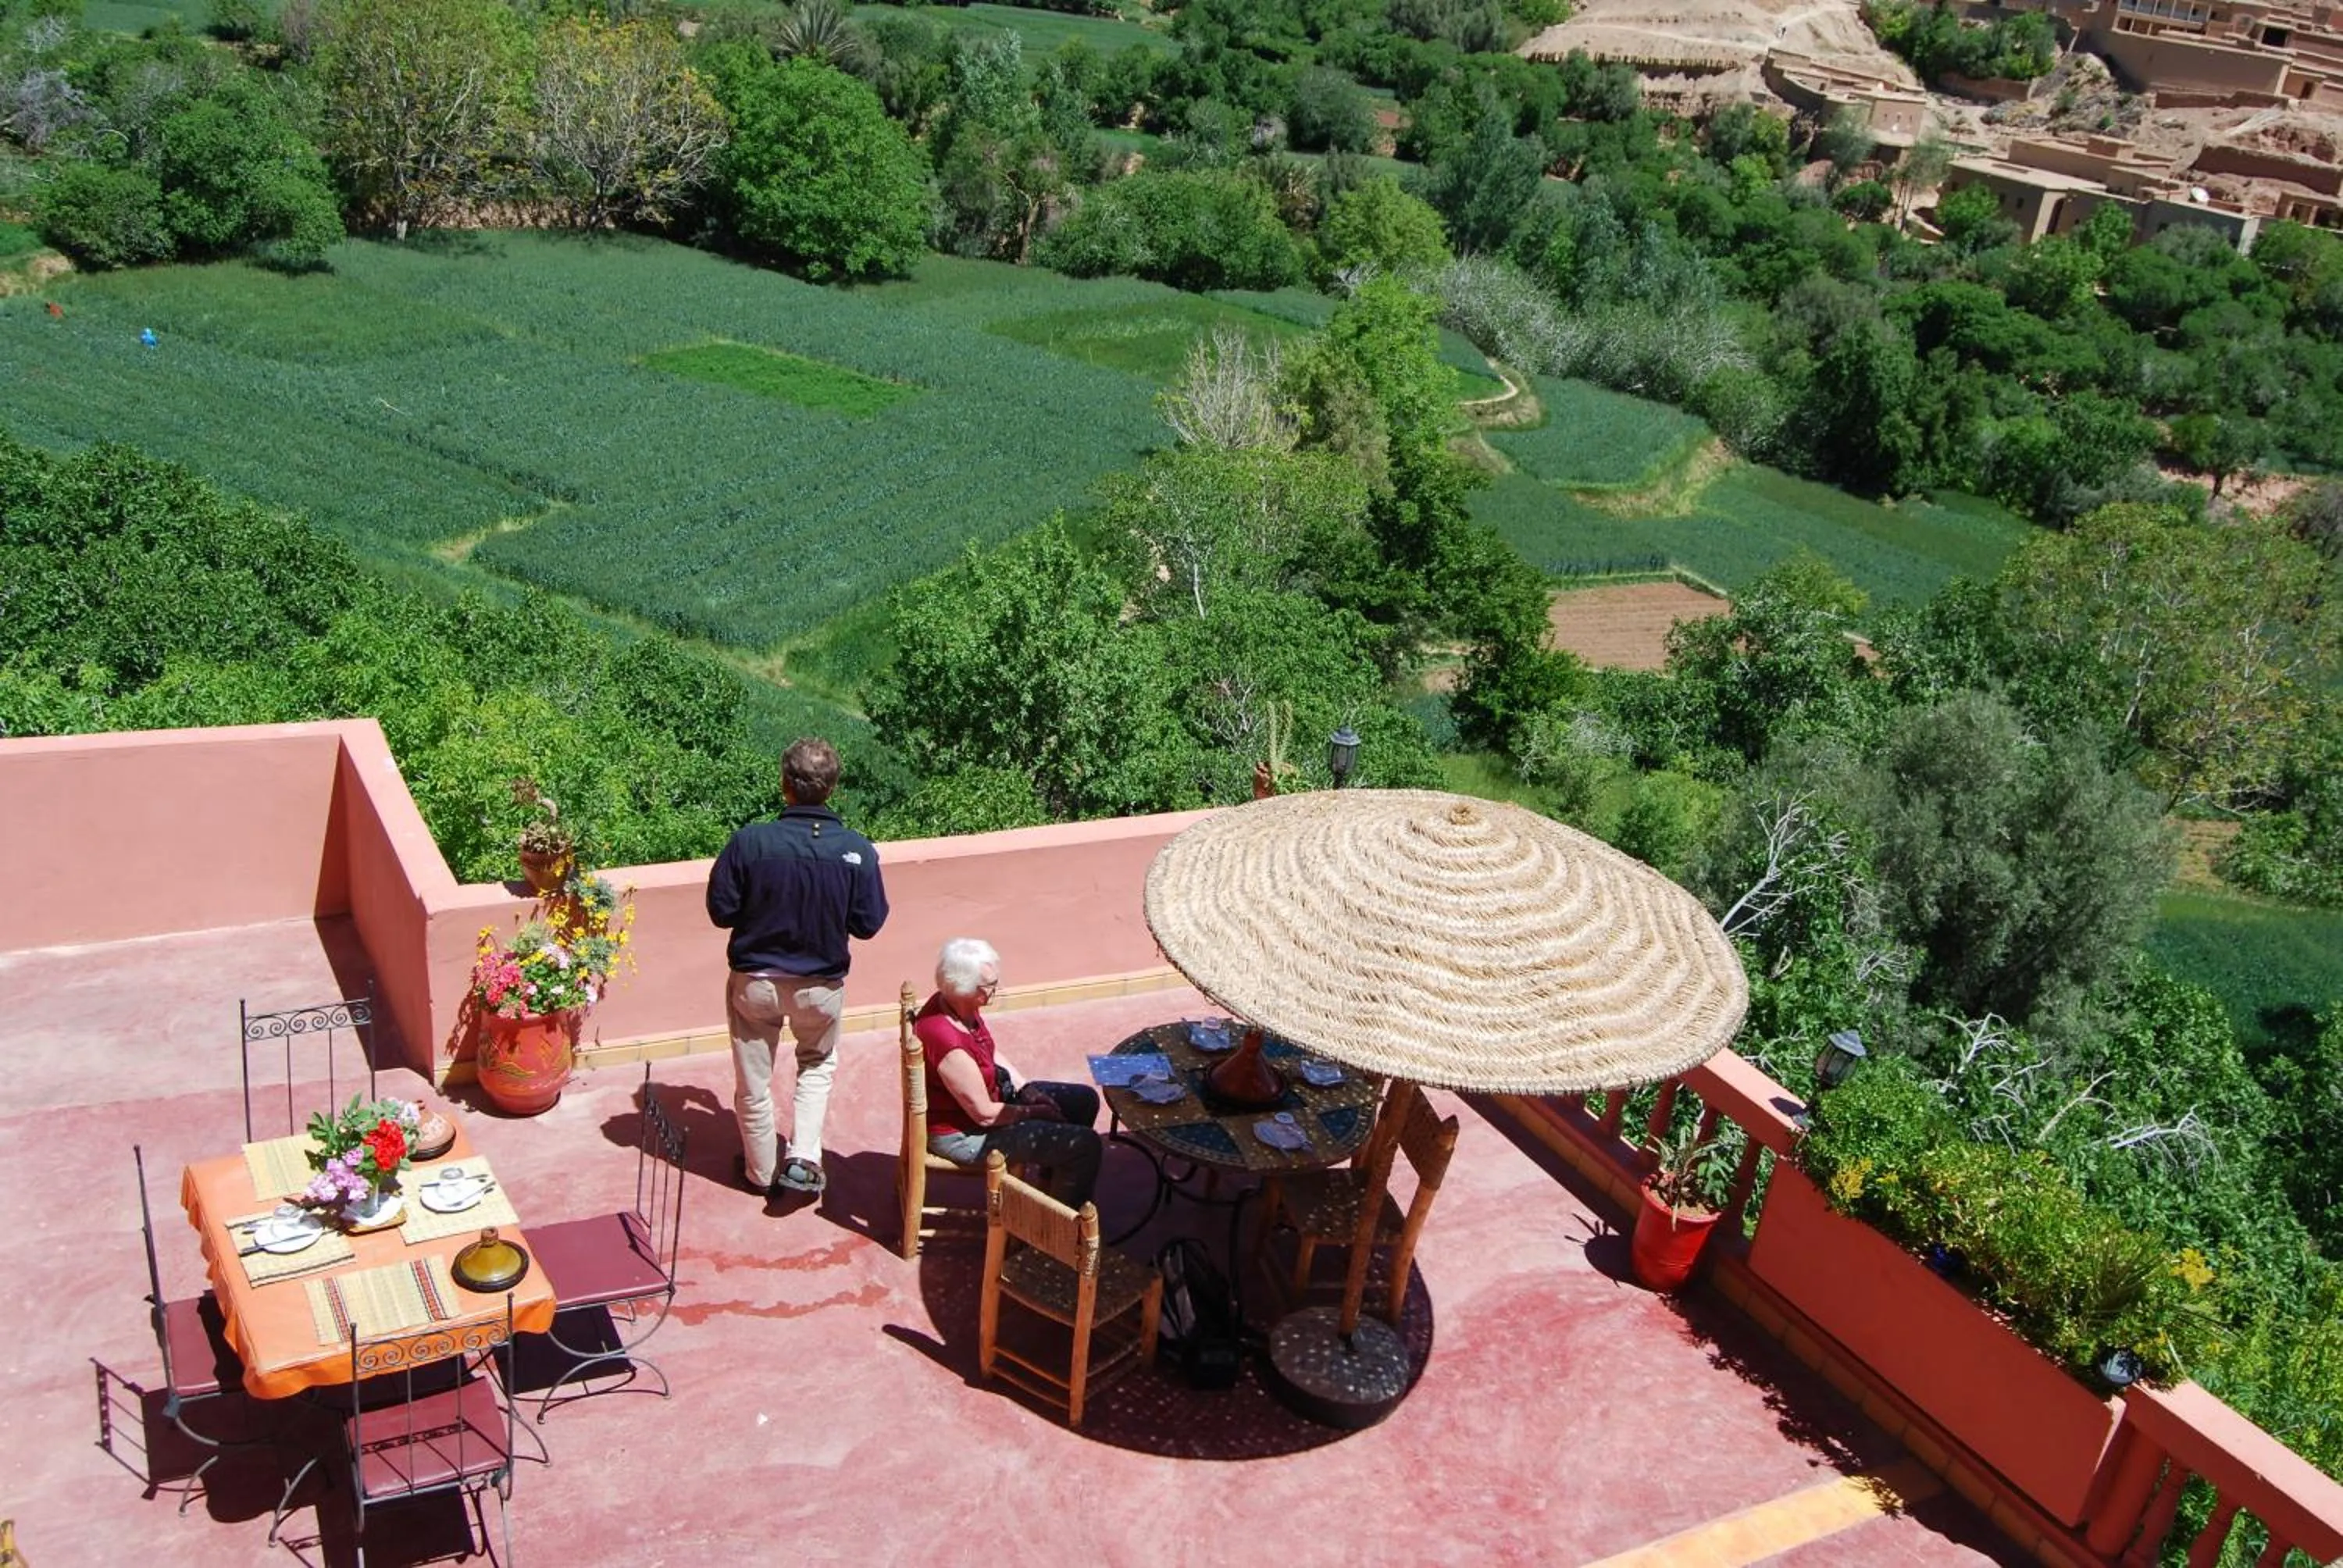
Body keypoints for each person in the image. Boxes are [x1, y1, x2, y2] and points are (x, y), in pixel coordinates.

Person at [707, 737, 888, 1198]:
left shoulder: (750, 842)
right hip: (820, 988)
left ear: (785, 784)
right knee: (817, 1066)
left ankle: (761, 1172)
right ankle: (803, 1158)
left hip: (755, 984)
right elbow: (868, 924)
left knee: (754, 1081)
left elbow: (721, 911)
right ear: (832, 788)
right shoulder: (857, 851)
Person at [915, 938, 1103, 1209]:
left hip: (993, 1101)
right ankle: (1060, 1229)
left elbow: (990, 1052)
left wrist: (1028, 1091)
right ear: (963, 989)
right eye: (989, 986)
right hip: (968, 1135)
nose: (996, 990)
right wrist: (1034, 1113)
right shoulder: (948, 1044)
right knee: (1085, 1145)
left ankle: (1053, 1186)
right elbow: (985, 1113)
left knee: (1083, 1100)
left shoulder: (958, 1007)